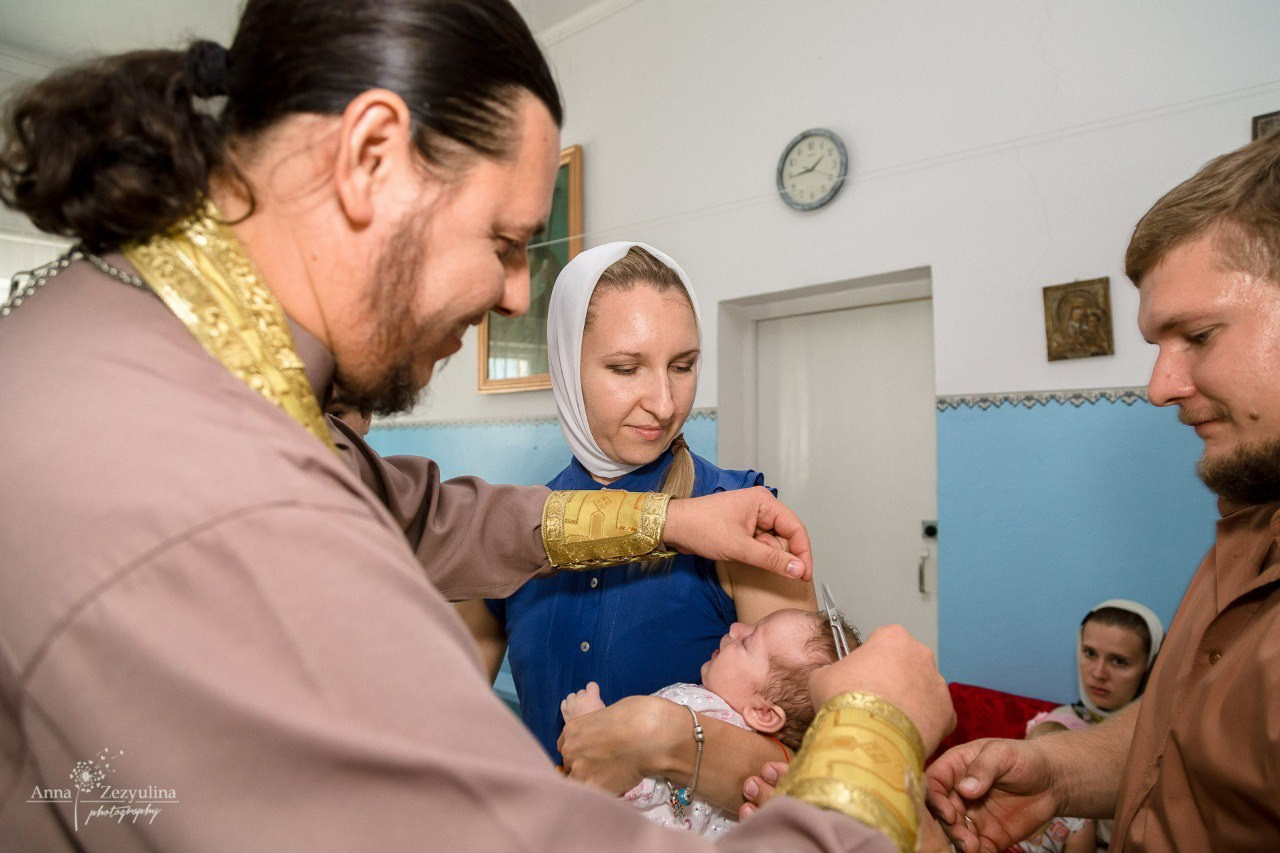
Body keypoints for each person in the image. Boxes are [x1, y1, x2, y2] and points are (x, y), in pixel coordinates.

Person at [0, 0, 953, 849]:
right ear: (370, 156)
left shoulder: (168, 348)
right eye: (502, 242)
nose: (509, 293)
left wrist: (670, 522)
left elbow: (426, 516)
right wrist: (875, 733)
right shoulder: (212, 486)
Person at [924, 133, 1280, 852]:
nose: (1159, 386)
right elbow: (1178, 739)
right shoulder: (1251, 516)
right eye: (1157, 344)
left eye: (1199, 335)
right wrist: (1054, 770)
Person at [457, 242, 816, 778]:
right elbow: (448, 724)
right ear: (564, 367)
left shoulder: (744, 516)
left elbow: (811, 763)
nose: (665, 403)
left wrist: (666, 743)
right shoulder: (511, 531)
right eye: (626, 368)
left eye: (684, 365)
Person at [560, 608, 859, 839]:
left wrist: (592, 720)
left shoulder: (702, 711)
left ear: (763, 713)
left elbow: (634, 784)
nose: (735, 629)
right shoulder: (750, 753)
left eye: (747, 642)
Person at [1014, 600, 1164, 853]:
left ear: (1150, 668)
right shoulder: (1055, 722)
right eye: (1090, 653)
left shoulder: (1159, 740)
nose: (1098, 672)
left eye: (1119, 661)